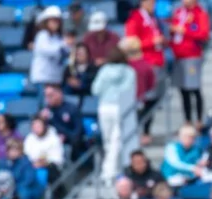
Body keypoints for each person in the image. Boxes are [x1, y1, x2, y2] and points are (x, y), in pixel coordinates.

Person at [92, 47, 139, 184]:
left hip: (104, 108)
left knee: (109, 142)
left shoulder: (104, 71)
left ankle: (111, 171)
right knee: (115, 141)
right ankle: (110, 173)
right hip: (120, 107)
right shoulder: (129, 72)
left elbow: (95, 89)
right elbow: (130, 90)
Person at [171, 0, 210, 127]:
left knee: (194, 88)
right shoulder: (178, 12)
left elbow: (204, 34)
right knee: (183, 90)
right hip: (178, 57)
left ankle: (199, 120)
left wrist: (184, 31)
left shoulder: (200, 14)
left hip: (192, 57)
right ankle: (187, 120)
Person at [30, 6, 67, 87]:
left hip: (55, 78)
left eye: (57, 21)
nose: (55, 23)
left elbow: (66, 51)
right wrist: (62, 47)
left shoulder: (58, 38)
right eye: (53, 20)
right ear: (46, 22)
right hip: (42, 78)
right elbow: (48, 50)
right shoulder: (42, 35)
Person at [125, 0, 166, 68]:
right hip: (145, 63)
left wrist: (162, 41)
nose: (154, 6)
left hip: (158, 61)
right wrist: (152, 42)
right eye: (151, 3)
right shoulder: (135, 18)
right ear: (143, 3)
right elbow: (131, 44)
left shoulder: (153, 18)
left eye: (154, 3)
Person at [41, 84, 83, 148]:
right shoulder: (45, 111)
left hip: (68, 145)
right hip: (48, 146)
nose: (48, 99)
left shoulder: (72, 109)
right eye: (46, 96)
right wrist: (42, 120)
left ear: (59, 93)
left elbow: (77, 134)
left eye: (50, 95)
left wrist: (65, 137)